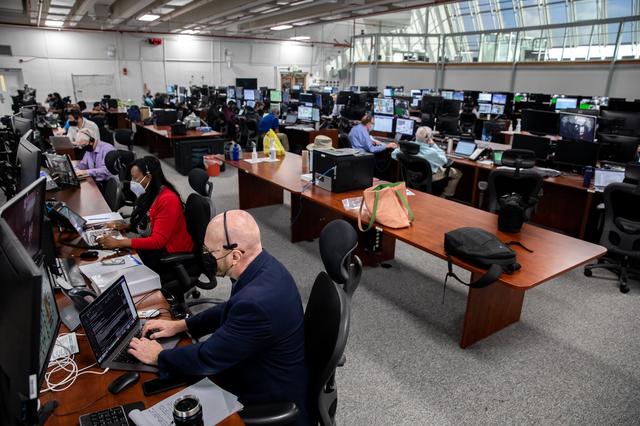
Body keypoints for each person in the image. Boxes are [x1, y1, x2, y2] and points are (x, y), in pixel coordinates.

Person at [127, 210, 309, 425]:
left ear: (235, 255)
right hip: (258, 363)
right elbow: (230, 308)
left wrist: (159, 356)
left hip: (266, 393)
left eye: (210, 252)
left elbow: (209, 357)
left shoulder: (256, 303)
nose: (205, 257)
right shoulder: (262, 266)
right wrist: (182, 325)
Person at [98, 157, 193, 275]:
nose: (132, 182)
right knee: (114, 259)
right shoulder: (151, 193)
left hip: (170, 254)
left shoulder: (168, 200)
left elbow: (157, 241)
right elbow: (149, 222)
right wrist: (127, 226)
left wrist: (119, 243)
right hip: (158, 248)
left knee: (120, 268)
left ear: (148, 177)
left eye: (135, 178)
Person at [391, 126, 462, 198]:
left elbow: (393, 155)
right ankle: (444, 196)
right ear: (429, 138)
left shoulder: (406, 146)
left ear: (415, 135)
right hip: (430, 176)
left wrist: (401, 148)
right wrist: (434, 145)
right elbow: (444, 161)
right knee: (458, 173)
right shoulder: (431, 152)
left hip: (410, 175)